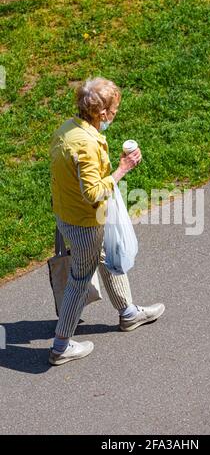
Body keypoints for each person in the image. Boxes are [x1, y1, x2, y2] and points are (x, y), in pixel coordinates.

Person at [48, 76, 165, 366]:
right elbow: (94, 193)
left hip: (67, 214)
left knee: (107, 255)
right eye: (113, 110)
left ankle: (128, 313)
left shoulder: (67, 130)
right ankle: (61, 345)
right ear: (101, 113)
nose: (114, 114)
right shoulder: (87, 145)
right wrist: (123, 168)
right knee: (80, 278)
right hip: (85, 221)